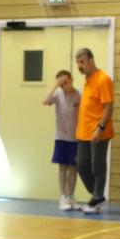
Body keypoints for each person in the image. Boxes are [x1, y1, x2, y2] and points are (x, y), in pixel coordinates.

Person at [74, 47, 114, 214]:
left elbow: (108, 106)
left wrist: (100, 128)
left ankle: (96, 197)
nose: (79, 66)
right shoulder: (88, 80)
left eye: (82, 62)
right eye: (77, 63)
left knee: (97, 165)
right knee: (82, 165)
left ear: (91, 60)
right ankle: (97, 195)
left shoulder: (103, 79)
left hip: (99, 131)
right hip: (83, 132)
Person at [43, 70, 82, 211]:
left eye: (66, 82)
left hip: (75, 138)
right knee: (62, 167)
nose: (64, 86)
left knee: (73, 168)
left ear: (71, 79)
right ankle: (62, 197)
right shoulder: (58, 94)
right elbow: (45, 101)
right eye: (61, 84)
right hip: (61, 138)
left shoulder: (79, 95)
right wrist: (55, 85)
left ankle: (71, 196)